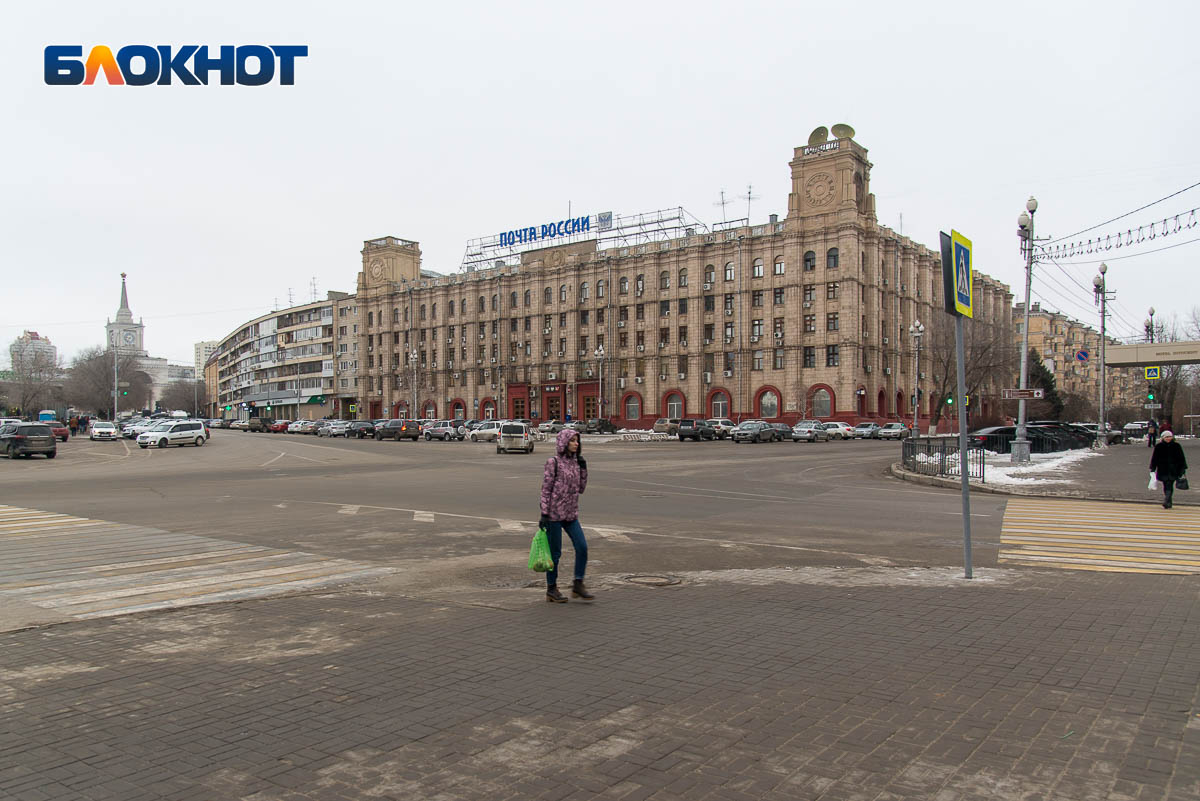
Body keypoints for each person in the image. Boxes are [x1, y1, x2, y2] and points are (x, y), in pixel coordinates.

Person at [538, 428, 593, 602]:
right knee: (555, 554)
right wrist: (544, 513)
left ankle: (578, 583)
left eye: (577, 441)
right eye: (573, 440)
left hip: (571, 514)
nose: (576, 444)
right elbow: (546, 489)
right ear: (564, 443)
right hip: (554, 515)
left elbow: (581, 489)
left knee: (582, 547)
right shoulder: (553, 462)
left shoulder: (576, 463)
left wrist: (583, 469)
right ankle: (551, 589)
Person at [1149, 429, 1187, 509]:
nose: (1168, 438)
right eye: (1166, 437)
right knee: (1166, 484)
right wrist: (1153, 467)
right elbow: (1155, 458)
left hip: (1174, 469)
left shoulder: (1176, 446)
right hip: (1163, 469)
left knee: (1169, 484)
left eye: (1169, 437)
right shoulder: (1159, 447)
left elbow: (1181, 458)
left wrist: (1183, 468)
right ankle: (1168, 501)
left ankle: (1167, 500)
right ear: (1163, 438)